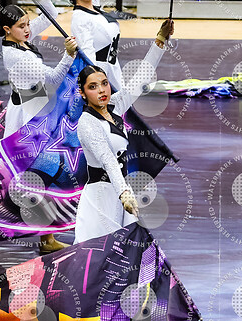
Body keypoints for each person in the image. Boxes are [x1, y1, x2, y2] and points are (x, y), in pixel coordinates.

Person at [74, 19, 174, 243]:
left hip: (121, 193)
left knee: (129, 255)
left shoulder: (115, 106)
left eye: (104, 83)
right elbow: (108, 159)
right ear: (82, 93)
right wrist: (124, 193)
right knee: (98, 255)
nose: (102, 90)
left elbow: (139, 80)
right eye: (93, 87)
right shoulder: (87, 123)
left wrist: (159, 41)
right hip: (101, 198)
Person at [0, 0, 77, 254]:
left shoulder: (19, 39)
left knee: (35, 176)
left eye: (28, 23)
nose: (28, 29)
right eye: (22, 26)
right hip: (30, 119)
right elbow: (53, 78)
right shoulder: (17, 56)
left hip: (34, 109)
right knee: (39, 177)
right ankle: (44, 238)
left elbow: (50, 13)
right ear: (7, 29)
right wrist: (68, 55)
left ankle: (44, 236)